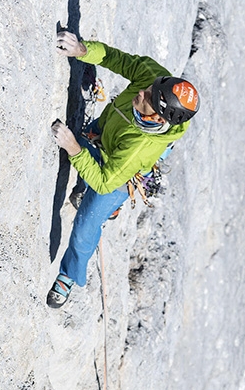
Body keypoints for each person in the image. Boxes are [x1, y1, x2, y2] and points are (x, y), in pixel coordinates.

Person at [48, 31, 200, 308]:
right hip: (105, 133)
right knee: (86, 151)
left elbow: (106, 182)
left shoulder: (139, 146)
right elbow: (121, 60)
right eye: (150, 87)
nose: (141, 90)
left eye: (148, 96)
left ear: (157, 115)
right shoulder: (156, 80)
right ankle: (103, 201)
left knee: (86, 227)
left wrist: (73, 148)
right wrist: (83, 50)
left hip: (117, 175)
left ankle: (69, 275)